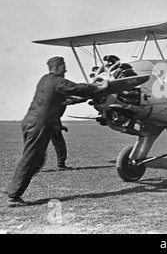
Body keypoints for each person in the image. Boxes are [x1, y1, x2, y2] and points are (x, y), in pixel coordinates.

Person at [5, 57, 108, 207]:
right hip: (40, 124)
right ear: (57, 67)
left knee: (37, 159)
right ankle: (13, 196)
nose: (65, 70)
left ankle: (12, 188)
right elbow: (76, 88)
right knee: (31, 158)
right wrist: (98, 87)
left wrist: (86, 95)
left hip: (30, 122)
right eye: (63, 67)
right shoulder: (58, 81)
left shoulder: (45, 80)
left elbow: (69, 97)